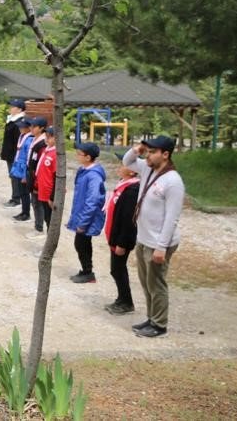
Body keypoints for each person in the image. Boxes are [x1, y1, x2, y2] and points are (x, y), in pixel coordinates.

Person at [122, 135, 185, 338]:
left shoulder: (173, 181)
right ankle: (151, 318)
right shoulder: (148, 168)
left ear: (165, 155)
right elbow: (127, 162)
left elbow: (172, 218)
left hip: (159, 242)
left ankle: (159, 324)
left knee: (156, 284)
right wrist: (137, 149)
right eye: (147, 152)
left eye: (152, 152)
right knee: (146, 282)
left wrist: (162, 247)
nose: (148, 155)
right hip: (144, 238)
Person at [66, 142, 107, 284]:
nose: (77, 156)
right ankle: (85, 270)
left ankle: (88, 272)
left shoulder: (94, 176)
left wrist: (83, 223)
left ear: (88, 157)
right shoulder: (83, 170)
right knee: (81, 244)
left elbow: (92, 200)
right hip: (81, 214)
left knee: (81, 244)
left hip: (88, 217)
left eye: (79, 154)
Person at [104, 166, 140, 315]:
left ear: (132, 172)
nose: (119, 168)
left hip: (121, 239)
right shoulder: (123, 184)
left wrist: (122, 243)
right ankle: (122, 298)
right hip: (114, 235)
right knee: (116, 269)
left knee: (118, 269)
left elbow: (128, 219)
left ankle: (126, 302)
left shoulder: (132, 190)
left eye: (123, 165)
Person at [0, 99, 27, 205]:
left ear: (20, 109)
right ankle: (16, 196)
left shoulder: (20, 122)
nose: (10, 108)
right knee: (13, 175)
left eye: (13, 106)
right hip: (10, 153)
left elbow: (19, 141)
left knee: (15, 176)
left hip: (15, 154)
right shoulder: (12, 120)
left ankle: (16, 198)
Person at [22, 117, 49, 223]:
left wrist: (36, 180)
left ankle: (39, 227)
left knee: (38, 202)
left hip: (37, 175)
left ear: (41, 128)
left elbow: (40, 163)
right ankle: (38, 224)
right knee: (34, 201)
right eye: (31, 126)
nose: (31, 128)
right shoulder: (34, 139)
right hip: (31, 172)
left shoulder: (43, 143)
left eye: (34, 126)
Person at [32, 127, 58, 231]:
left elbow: (57, 176)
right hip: (42, 190)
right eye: (46, 136)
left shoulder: (56, 154)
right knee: (47, 218)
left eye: (49, 137)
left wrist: (52, 197)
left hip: (49, 192)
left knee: (50, 219)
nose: (46, 139)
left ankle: (50, 244)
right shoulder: (46, 150)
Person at [8, 118, 33, 214]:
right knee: (20, 190)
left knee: (24, 192)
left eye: (22, 127)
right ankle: (23, 211)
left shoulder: (29, 139)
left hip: (24, 167)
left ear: (28, 128)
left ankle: (26, 213)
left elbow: (28, 156)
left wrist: (25, 173)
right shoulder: (21, 136)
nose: (20, 129)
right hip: (18, 165)